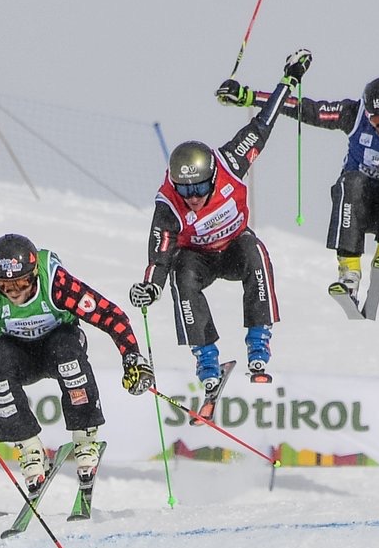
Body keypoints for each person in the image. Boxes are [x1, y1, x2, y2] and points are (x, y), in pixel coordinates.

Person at [0, 233, 154, 494]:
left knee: (67, 350)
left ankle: (85, 438)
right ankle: (29, 449)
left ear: (34, 273)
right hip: (19, 356)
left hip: (59, 347)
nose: (14, 292)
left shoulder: (55, 282)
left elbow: (110, 315)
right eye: (4, 285)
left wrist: (131, 358)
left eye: (22, 282)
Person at [130, 48, 313, 399]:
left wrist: (289, 79)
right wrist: (149, 287)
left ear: (212, 176)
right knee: (181, 274)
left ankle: (259, 345)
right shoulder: (168, 204)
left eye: (199, 188)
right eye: (185, 189)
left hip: (232, 248)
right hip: (197, 258)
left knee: (255, 250)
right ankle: (206, 359)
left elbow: (264, 123)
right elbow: (160, 257)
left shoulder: (230, 161)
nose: (193, 197)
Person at [215, 72, 379, 311]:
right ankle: (349, 275)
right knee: (350, 181)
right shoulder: (353, 115)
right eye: (378, 123)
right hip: (357, 208)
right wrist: (249, 97)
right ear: (367, 116)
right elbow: (307, 109)